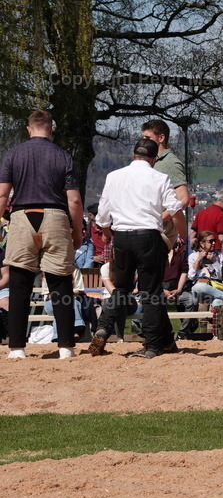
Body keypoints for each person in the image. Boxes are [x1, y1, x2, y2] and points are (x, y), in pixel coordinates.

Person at [89, 138, 187, 358]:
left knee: (121, 289)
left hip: (122, 237)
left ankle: (103, 329)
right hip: (148, 237)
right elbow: (175, 207)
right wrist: (183, 235)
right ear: (153, 159)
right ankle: (152, 345)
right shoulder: (160, 177)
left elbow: (103, 215)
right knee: (151, 293)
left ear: (134, 155)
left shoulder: (113, 176)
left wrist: (106, 235)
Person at [0, 109, 84, 360]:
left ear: (28, 129)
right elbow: (75, 200)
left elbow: (3, 195)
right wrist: (77, 231)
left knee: (19, 283)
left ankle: (16, 347)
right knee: (60, 283)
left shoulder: (13, 154)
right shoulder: (63, 156)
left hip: (22, 216)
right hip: (55, 216)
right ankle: (66, 345)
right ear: (51, 128)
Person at [141, 119, 189, 244]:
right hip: (146, 230)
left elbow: (183, 200)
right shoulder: (149, 161)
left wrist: (158, 219)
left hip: (162, 233)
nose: (143, 141)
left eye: (147, 137)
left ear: (161, 138)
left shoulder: (170, 163)